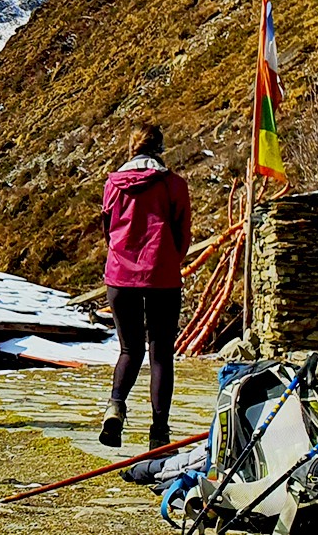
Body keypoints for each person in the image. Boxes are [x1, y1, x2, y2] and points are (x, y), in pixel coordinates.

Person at [99, 123, 191, 450]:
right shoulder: (173, 185)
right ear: (160, 148)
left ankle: (115, 407)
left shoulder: (113, 185)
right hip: (161, 276)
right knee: (160, 354)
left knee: (129, 349)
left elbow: (108, 231)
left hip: (120, 279)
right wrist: (169, 260)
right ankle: (159, 434)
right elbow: (183, 233)